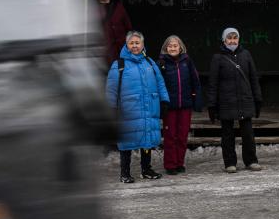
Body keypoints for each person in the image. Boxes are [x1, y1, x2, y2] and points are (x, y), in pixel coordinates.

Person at [106, 31, 170, 183]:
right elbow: (111, 89)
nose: (135, 46)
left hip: (149, 107)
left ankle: (146, 169)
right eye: (131, 43)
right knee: (126, 142)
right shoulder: (119, 65)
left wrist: (164, 101)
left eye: (137, 43)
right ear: (127, 45)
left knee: (147, 139)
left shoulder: (150, 63)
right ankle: (125, 173)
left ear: (142, 45)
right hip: (128, 110)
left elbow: (160, 83)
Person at [206, 27, 263, 173]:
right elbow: (213, 83)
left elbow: (253, 79)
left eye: (235, 38)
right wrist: (212, 105)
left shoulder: (246, 55)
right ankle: (230, 163)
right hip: (226, 101)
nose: (232, 41)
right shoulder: (217, 58)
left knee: (248, 134)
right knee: (227, 134)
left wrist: (258, 99)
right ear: (224, 40)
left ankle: (251, 160)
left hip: (245, 100)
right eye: (229, 38)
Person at [157, 35, 203, 175]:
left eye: (175, 45)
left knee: (182, 136)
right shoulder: (161, 63)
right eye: (170, 46)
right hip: (169, 107)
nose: (172, 48)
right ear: (166, 48)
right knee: (170, 136)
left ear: (180, 47)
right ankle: (170, 165)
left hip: (185, 105)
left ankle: (179, 163)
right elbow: (157, 85)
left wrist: (197, 100)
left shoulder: (187, 61)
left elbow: (195, 81)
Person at [96, 0, 133, 65]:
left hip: (122, 55)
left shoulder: (119, 8)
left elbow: (129, 29)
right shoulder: (95, 10)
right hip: (104, 57)